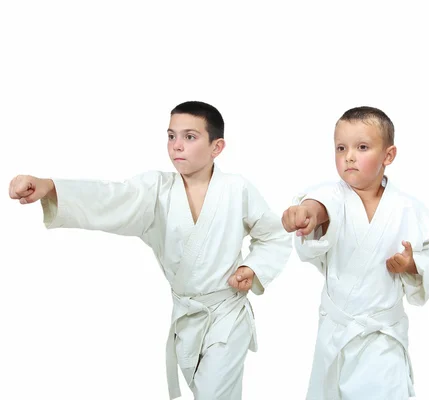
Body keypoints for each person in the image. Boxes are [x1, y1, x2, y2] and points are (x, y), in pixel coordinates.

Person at [8, 101, 292, 400]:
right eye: (171, 136)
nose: (177, 146)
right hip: (187, 317)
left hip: (227, 315)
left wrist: (251, 269)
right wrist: (51, 187)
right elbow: (111, 197)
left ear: (216, 147)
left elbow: (273, 235)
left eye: (190, 137)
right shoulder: (156, 189)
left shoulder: (237, 189)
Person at [281, 106, 429, 399]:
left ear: (388, 156)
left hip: (383, 336)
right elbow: (318, 206)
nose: (349, 156)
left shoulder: (408, 209)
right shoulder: (331, 195)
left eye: (362, 147)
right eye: (341, 148)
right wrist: (306, 214)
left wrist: (412, 263)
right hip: (337, 333)